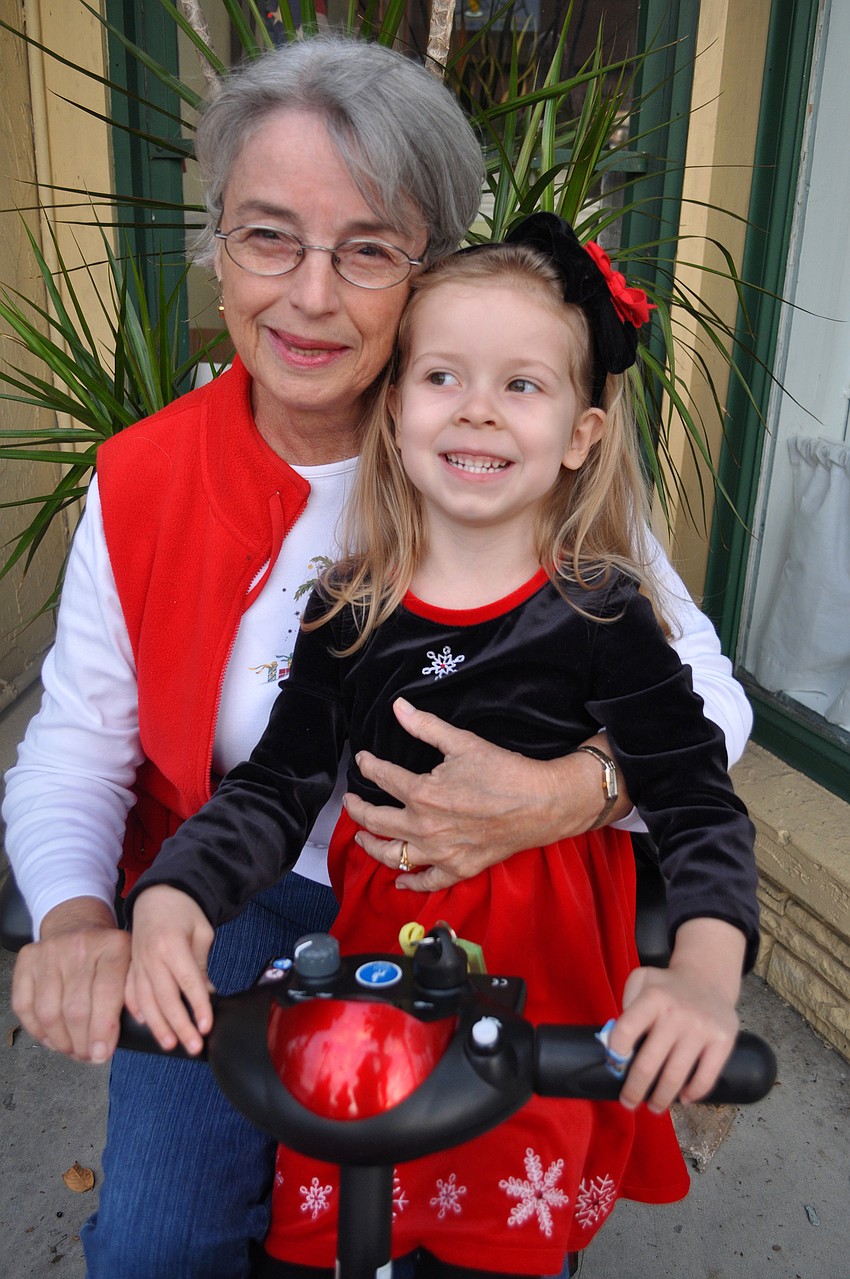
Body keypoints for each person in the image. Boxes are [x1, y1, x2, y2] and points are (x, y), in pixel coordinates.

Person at [2, 34, 752, 1279]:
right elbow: (87, 736)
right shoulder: (148, 481)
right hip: (253, 885)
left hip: (491, 902)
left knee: (476, 1218)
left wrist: (566, 793)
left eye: (365, 249)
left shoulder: (507, 460)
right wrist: (87, 921)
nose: (308, 295)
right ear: (218, 245)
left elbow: (705, 719)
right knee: (159, 1240)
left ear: (429, 266)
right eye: (266, 235)